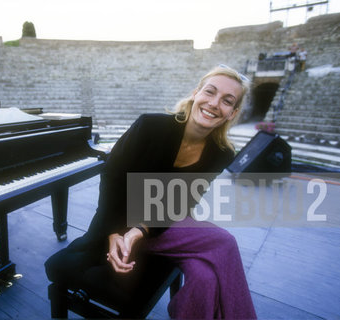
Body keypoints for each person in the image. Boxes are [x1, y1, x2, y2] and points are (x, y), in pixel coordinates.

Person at [45, 65, 257, 319]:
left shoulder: (221, 153)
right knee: (225, 242)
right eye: (209, 92)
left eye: (227, 101)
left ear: (232, 113)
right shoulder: (150, 126)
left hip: (164, 221)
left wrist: (141, 230)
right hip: (121, 219)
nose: (214, 103)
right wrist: (114, 232)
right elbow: (112, 178)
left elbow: (182, 201)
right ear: (195, 93)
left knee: (206, 278)